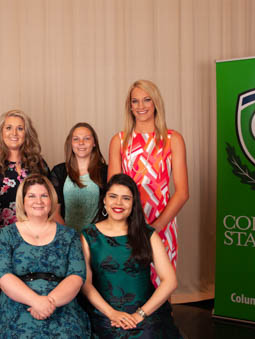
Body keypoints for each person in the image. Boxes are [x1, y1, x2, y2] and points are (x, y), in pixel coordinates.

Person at [107, 80, 189, 286]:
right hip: (126, 222)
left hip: (163, 221)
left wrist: (155, 227)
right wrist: (128, 226)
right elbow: (113, 191)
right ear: (130, 106)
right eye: (135, 101)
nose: (141, 106)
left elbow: (182, 193)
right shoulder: (119, 140)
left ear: (156, 103)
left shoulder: (173, 139)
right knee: (129, 284)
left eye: (146, 100)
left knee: (162, 284)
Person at [81, 174, 182, 338]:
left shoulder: (147, 234)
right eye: (113, 196)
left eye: (126, 198)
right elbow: (86, 284)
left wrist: (139, 315)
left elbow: (170, 281)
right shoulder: (88, 235)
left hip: (145, 314)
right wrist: (111, 313)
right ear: (104, 200)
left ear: (133, 203)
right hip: (104, 314)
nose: (118, 203)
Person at [0, 174, 90, 338]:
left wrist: (49, 303)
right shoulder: (6, 235)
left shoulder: (69, 236)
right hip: (17, 307)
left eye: (44, 195)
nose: (39, 201)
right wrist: (35, 301)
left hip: (61, 307)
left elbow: (76, 276)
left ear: (51, 201)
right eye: (32, 196)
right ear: (23, 201)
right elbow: (1, 274)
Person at [0, 109, 49, 244]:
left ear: (27, 134)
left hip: (36, 240)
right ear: (1, 133)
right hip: (0, 241)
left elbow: (49, 204)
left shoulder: (39, 165)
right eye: (8, 128)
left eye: (20, 128)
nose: (14, 133)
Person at [50, 122, 107, 231]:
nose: (81, 143)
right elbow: (54, 213)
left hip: (97, 238)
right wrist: (70, 236)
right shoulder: (58, 172)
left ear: (94, 143)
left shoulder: (106, 172)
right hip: (67, 237)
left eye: (86, 138)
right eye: (76, 139)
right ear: (70, 143)